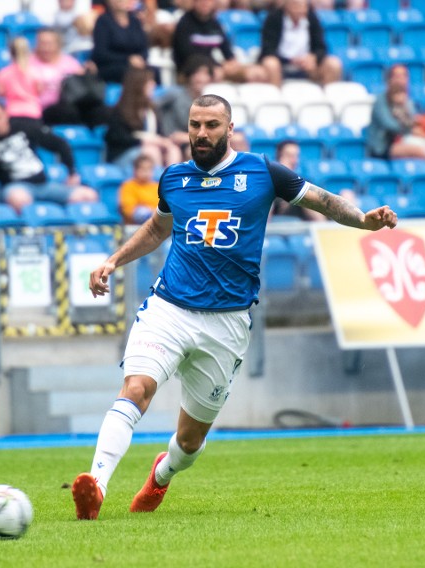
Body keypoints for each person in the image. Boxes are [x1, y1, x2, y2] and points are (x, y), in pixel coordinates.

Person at [70, 93, 398, 521]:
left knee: (188, 443)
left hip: (226, 324)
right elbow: (157, 227)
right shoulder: (173, 178)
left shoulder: (262, 172)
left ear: (229, 127)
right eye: (194, 125)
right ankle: (96, 486)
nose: (201, 134)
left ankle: (161, 476)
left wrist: (363, 220)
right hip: (170, 307)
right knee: (136, 388)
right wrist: (114, 260)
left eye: (210, 125)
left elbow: (323, 200)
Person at [0, 100, 98, 212]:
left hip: (44, 184)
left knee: (88, 195)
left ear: (5, 115)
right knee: (19, 199)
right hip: (14, 187)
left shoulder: (23, 127)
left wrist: (72, 172)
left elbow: (60, 144)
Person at [171, 0, 267, 83]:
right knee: (215, 73)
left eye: (209, 1)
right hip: (190, 70)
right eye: (201, 1)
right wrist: (216, 66)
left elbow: (226, 50)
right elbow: (188, 56)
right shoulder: (184, 24)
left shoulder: (215, 24)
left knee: (254, 73)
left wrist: (232, 62)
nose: (205, 3)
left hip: (216, 66)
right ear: (194, 2)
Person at [105, 67, 182, 169]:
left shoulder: (152, 110)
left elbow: (160, 134)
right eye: (150, 82)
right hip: (125, 153)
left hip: (151, 148)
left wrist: (164, 142)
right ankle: (155, 183)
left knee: (173, 150)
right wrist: (146, 141)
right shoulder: (119, 111)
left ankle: (170, 182)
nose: (154, 85)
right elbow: (118, 138)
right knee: (151, 151)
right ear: (138, 85)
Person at [258, 0, 342, 87]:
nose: (300, 10)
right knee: (271, 63)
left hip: (307, 65)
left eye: (304, 6)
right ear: (287, 6)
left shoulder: (312, 18)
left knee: (333, 64)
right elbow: (267, 49)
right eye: (296, 5)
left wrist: (314, 58)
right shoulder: (273, 18)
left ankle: (326, 97)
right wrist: (290, 60)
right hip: (281, 63)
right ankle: (275, 98)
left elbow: (321, 47)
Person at [91, 0, 150, 84]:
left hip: (136, 65)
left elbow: (144, 48)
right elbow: (101, 53)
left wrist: (140, 59)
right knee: (131, 73)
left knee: (153, 71)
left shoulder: (135, 22)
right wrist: (128, 59)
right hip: (111, 66)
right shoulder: (102, 22)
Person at [0, 37, 43, 129]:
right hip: (33, 112)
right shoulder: (36, 72)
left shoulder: (3, 73)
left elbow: (0, 92)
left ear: (11, 52)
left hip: (12, 113)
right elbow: (39, 91)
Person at [118, 153, 159, 224]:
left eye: (149, 169)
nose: (146, 172)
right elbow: (128, 210)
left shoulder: (157, 187)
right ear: (135, 170)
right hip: (135, 226)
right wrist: (150, 212)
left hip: (157, 225)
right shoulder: (129, 186)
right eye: (143, 169)